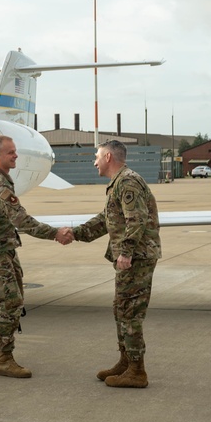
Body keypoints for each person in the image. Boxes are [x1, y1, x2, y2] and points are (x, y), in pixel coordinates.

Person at [0, 135, 71, 378]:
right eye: (10, 152)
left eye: (15, 151)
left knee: (15, 301)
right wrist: (55, 234)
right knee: (10, 302)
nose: (16, 155)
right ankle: (4, 359)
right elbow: (22, 220)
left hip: (3, 247)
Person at [71, 140, 161, 388]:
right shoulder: (119, 183)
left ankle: (137, 371)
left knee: (129, 313)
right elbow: (106, 220)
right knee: (121, 309)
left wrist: (126, 252)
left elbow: (137, 220)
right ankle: (126, 362)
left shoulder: (128, 182)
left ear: (109, 157)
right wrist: (76, 233)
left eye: (97, 156)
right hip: (131, 258)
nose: (94, 161)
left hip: (137, 258)